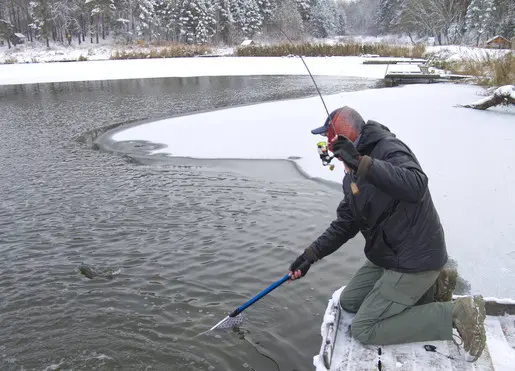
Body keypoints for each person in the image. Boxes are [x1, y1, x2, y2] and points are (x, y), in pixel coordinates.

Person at [288, 106, 487, 361]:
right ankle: (433, 288)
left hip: (416, 257)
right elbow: (345, 223)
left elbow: (416, 185)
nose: (327, 147)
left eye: (329, 138)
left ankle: (458, 312)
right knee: (349, 302)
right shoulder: (350, 176)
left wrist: (361, 163)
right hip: (389, 255)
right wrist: (309, 256)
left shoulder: (388, 148)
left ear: (344, 136)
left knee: (364, 328)